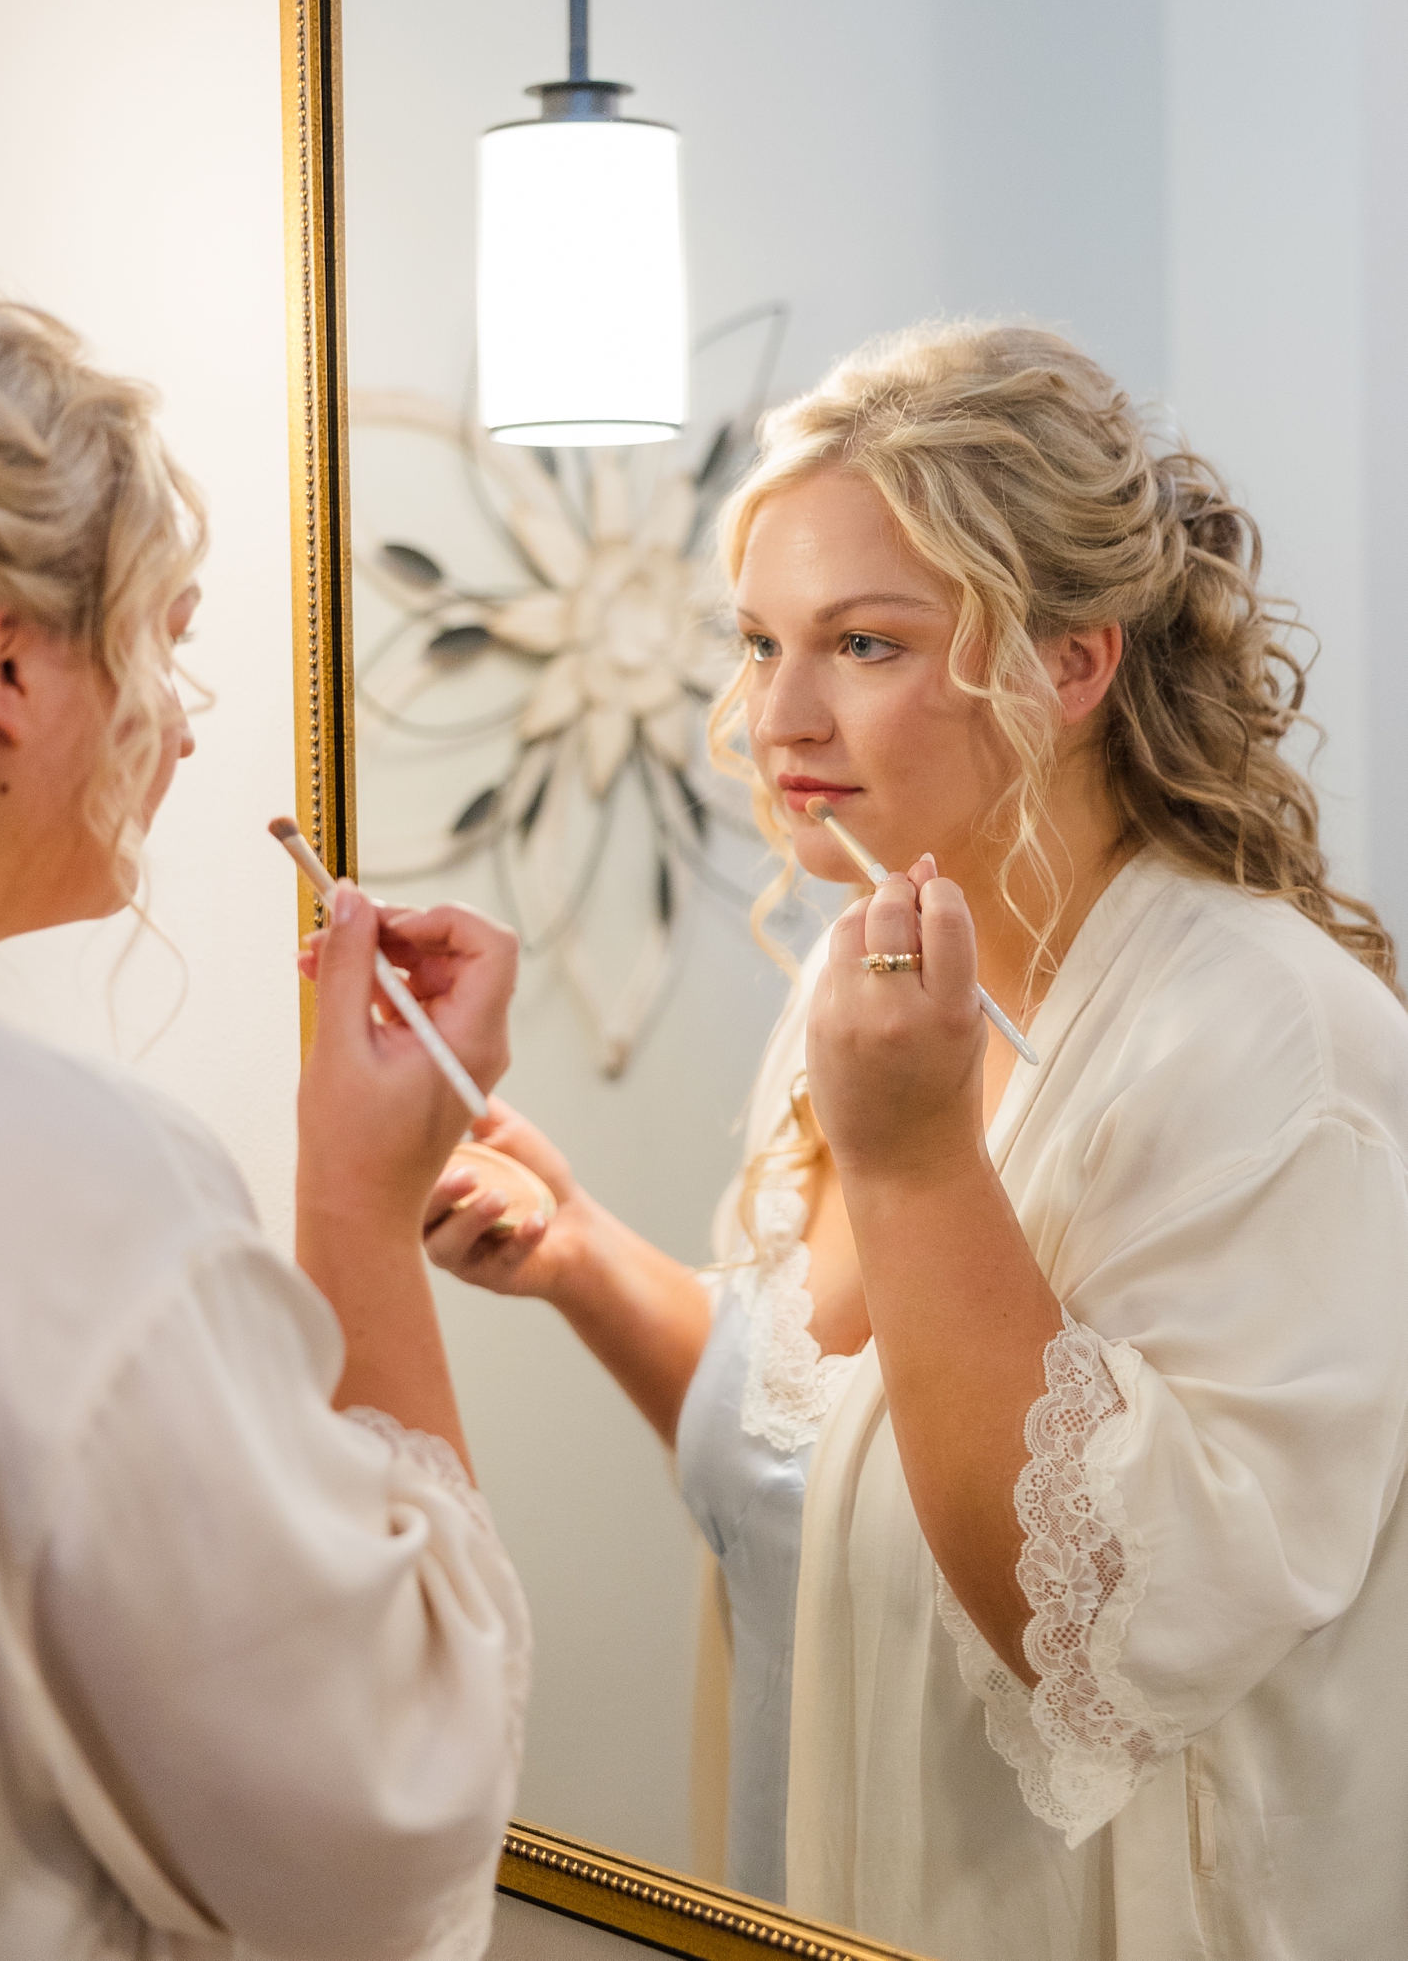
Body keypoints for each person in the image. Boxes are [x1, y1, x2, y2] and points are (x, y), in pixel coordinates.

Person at [428, 322, 1408, 1961]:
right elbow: (817, 1461)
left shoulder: (1277, 1053)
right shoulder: (871, 981)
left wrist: (915, 1165)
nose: (777, 715)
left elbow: (1111, 1635)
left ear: (1069, 664)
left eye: (864, 644)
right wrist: (582, 1254)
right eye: (760, 642)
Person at [0, 263, 529, 1961]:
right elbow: (383, 1831)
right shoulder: (73, 1198)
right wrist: (359, 1205)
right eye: (161, 644)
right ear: (9, 665)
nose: (182, 731)